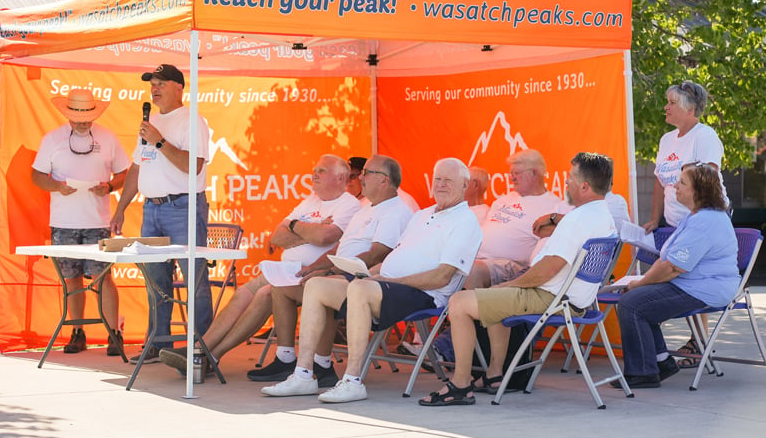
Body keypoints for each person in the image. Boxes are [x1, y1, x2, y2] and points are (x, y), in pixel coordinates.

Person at [261, 157, 482, 402]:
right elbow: (397, 254)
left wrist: (391, 280)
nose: (440, 184)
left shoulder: (465, 221)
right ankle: (304, 374)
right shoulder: (422, 215)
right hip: (387, 284)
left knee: (359, 289)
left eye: (448, 180)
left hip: (424, 293)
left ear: (465, 185)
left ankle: (353, 380)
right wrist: (374, 272)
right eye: (437, 179)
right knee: (316, 286)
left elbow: (442, 276)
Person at [419, 152, 617, 406]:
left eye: (570, 179)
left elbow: (546, 270)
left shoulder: (577, 220)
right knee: (492, 300)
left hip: (550, 297)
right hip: (572, 298)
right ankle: (493, 376)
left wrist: (506, 285)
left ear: (584, 186)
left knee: (459, 302)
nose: (566, 184)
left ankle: (460, 385)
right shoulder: (602, 215)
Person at [158, 154, 361, 373]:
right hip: (286, 271)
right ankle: (199, 350)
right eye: (314, 169)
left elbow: (325, 238)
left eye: (321, 171)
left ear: (340, 178)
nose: (314, 174)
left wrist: (295, 227)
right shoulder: (311, 200)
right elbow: (277, 237)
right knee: (243, 293)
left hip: (314, 275)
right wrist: (307, 229)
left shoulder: (349, 205)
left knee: (264, 294)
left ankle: (207, 356)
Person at [247, 155, 414, 386]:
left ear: (384, 181)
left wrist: (328, 270)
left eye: (366, 173)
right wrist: (314, 267)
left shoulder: (395, 211)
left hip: (364, 279)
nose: (361, 178)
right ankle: (287, 359)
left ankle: (317, 366)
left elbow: (377, 255)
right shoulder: (367, 209)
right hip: (343, 272)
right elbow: (339, 248)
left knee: (318, 286)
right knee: (283, 286)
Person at [110, 64, 212, 364]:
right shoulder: (151, 120)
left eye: (161, 83)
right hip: (151, 209)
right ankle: (159, 340)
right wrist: (120, 208)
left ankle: (202, 347)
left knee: (195, 279)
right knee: (155, 280)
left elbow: (193, 166)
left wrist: (158, 139)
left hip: (183, 207)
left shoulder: (192, 120)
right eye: (152, 84)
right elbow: (137, 167)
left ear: (179, 88)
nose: (154, 88)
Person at [613, 163, 738, 388]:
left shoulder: (705, 221)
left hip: (705, 289)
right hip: (690, 284)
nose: (674, 186)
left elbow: (673, 268)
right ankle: (661, 363)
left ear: (698, 191)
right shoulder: (695, 216)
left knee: (631, 304)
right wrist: (640, 284)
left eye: (682, 183)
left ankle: (644, 373)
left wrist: (639, 284)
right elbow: (666, 260)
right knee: (636, 301)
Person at [31, 88, 129, 355]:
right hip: (63, 222)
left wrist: (109, 186)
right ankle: (77, 331)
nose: (83, 124)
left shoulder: (108, 138)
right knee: (71, 279)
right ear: (67, 116)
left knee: (104, 277)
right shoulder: (52, 139)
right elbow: (36, 176)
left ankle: (114, 334)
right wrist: (56, 186)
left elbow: (125, 173)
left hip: (98, 221)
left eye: (87, 120)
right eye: (77, 120)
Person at [642, 80, 728, 363]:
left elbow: (707, 181)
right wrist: (655, 219)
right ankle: (695, 342)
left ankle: (699, 344)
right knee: (679, 275)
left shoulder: (704, 136)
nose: (665, 107)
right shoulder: (666, 140)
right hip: (675, 221)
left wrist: (695, 220)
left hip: (702, 219)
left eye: (672, 103)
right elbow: (659, 184)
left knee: (692, 277)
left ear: (691, 109)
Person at [465, 150, 561, 290]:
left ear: (534, 173)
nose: (512, 178)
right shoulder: (504, 199)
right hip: (476, 258)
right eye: (511, 174)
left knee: (471, 271)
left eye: (516, 174)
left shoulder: (553, 207)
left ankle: (468, 310)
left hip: (510, 266)